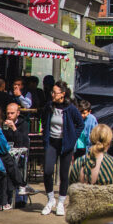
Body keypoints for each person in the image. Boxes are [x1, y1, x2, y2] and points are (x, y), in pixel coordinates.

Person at [41, 81, 83, 216]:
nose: (52, 94)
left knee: (64, 175)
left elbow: (80, 124)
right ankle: (50, 199)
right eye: (52, 92)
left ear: (63, 94)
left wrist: (72, 138)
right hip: (52, 143)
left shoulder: (70, 108)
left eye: (55, 92)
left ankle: (61, 203)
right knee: (47, 171)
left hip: (66, 144)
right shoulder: (49, 106)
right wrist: (45, 136)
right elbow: (44, 119)